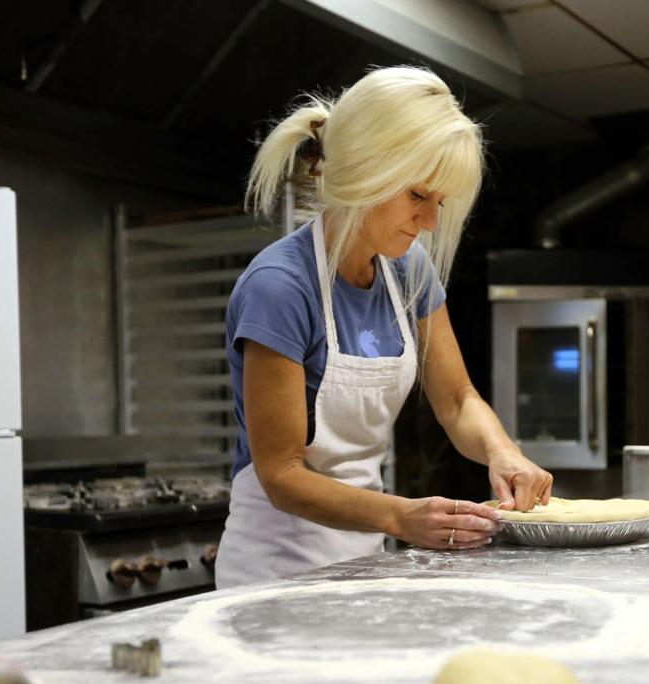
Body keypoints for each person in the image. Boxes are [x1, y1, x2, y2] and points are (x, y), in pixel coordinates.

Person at [215, 67, 554, 587]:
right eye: (418, 196)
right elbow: (281, 475)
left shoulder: (407, 269)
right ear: (366, 171)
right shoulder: (280, 287)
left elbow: (457, 399)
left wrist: (503, 453)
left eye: (438, 203)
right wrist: (400, 516)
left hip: (362, 562)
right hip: (274, 569)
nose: (431, 222)